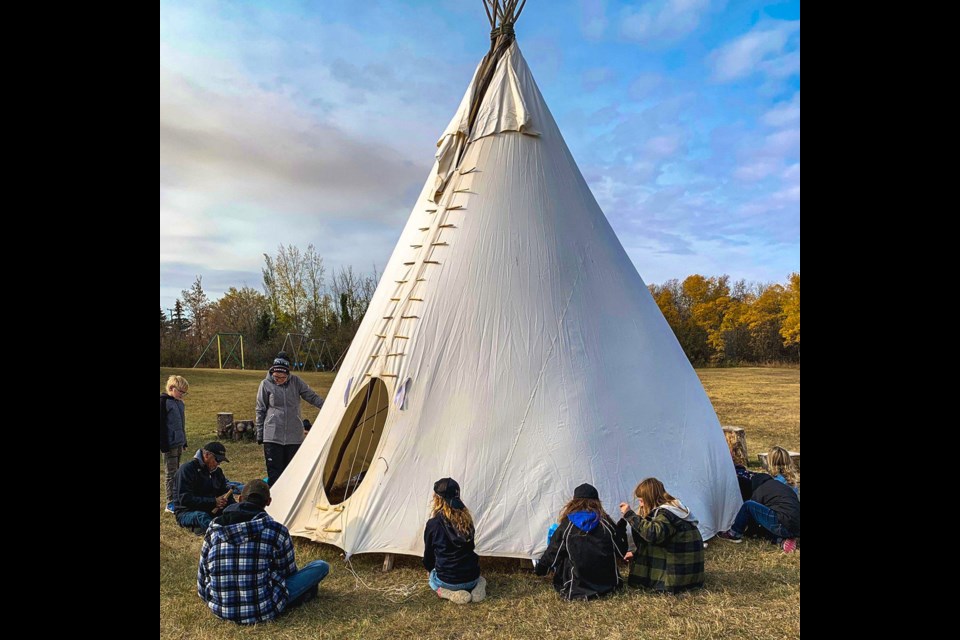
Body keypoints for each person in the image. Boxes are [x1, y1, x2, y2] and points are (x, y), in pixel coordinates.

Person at [198, 479, 331, 624]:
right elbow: (288, 573)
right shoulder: (276, 530)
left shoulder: (214, 529)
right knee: (321, 566)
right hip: (265, 609)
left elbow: (202, 580)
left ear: (240, 498)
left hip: (221, 609)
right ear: (268, 502)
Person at [535, 483, 627, 600]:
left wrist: (540, 570)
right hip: (609, 586)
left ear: (574, 502)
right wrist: (622, 526)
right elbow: (621, 551)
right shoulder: (606, 523)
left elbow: (553, 552)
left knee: (564, 552)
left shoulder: (567, 525)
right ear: (597, 502)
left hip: (576, 589)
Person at [618, 478, 704, 593]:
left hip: (677, 579)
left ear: (649, 498)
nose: (641, 505)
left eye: (641, 501)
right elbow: (665, 542)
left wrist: (630, 515)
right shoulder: (675, 510)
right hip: (689, 573)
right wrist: (637, 554)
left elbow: (653, 534)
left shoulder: (666, 514)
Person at [255, 352, 325, 485]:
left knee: (292, 472)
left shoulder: (296, 382)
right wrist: (260, 433)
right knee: (275, 473)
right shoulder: (265, 384)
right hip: (273, 436)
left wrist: (327, 406)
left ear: (287, 374)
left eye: (281, 377)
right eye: (275, 376)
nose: (278, 379)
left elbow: (311, 396)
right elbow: (260, 409)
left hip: (293, 436)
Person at [717, 446, 801, 553]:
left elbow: (753, 512)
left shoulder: (769, 486)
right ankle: (782, 540)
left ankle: (734, 534)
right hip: (795, 523)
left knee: (750, 508)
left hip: (782, 521)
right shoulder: (789, 484)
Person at [423, 478, 486, 604]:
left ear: (438, 499)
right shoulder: (467, 521)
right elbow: (471, 546)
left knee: (432, 579)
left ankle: (447, 593)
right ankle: (478, 586)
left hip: (447, 580)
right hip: (471, 577)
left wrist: (430, 569)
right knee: (480, 579)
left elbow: (428, 555)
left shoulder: (433, 524)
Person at [173, 442, 235, 532]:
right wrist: (213, 501)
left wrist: (232, 506)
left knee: (232, 511)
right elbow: (185, 499)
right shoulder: (187, 470)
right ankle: (219, 534)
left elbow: (224, 491)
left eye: (220, 461)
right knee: (201, 516)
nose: (218, 464)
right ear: (206, 455)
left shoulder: (217, 472)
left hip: (211, 509)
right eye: (217, 460)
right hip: (187, 512)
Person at [160, 375, 189, 514]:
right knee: (170, 474)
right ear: (172, 388)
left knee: (177, 472)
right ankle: (170, 502)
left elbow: (182, 424)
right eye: (181, 392)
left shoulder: (180, 403)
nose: (182, 395)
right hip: (169, 445)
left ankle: (177, 497)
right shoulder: (163, 402)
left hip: (178, 443)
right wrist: (164, 444)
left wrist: (184, 440)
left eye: (184, 393)